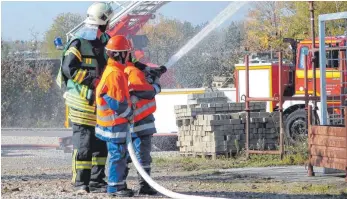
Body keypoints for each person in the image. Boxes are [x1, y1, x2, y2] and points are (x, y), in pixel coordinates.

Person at [60, 2, 114, 194]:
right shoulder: (79, 41)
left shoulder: (106, 40)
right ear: (105, 20)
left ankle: (97, 180)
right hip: (82, 102)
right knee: (84, 145)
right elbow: (69, 68)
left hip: (100, 104)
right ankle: (81, 182)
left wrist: (145, 69)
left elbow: (124, 59)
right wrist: (92, 81)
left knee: (101, 145)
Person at [95, 35, 134, 197]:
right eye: (126, 53)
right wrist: (130, 114)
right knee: (118, 155)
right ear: (119, 54)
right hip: (114, 123)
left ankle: (118, 185)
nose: (128, 56)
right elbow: (117, 103)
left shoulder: (112, 70)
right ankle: (115, 188)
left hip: (111, 123)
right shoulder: (115, 74)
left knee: (119, 154)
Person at [124, 58, 161, 195]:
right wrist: (156, 83)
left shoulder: (121, 71)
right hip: (141, 121)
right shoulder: (134, 72)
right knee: (142, 155)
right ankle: (144, 185)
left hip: (127, 122)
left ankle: (120, 185)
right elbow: (147, 91)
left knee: (125, 155)